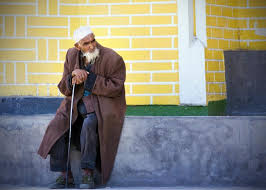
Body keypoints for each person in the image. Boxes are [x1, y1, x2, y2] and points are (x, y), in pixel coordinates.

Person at [37, 26, 126, 189]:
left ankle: (87, 174)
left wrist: (89, 78)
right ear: (78, 46)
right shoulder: (71, 55)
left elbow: (116, 87)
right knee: (56, 125)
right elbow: (64, 87)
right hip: (75, 104)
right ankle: (65, 175)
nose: (92, 46)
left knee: (90, 124)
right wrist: (72, 76)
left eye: (93, 40)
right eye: (86, 43)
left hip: (101, 104)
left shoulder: (112, 58)